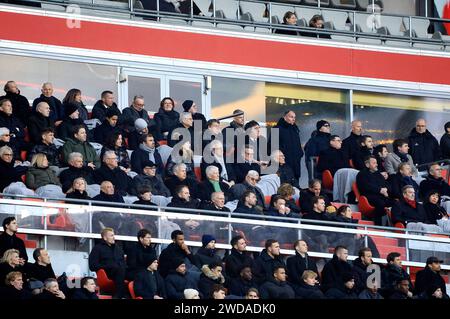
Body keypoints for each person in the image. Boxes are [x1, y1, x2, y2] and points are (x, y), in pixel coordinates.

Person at [88, 228, 127, 299]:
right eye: (111, 235)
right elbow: (92, 265)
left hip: (120, 271)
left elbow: (124, 263)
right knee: (118, 269)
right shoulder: (97, 248)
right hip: (107, 273)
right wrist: (108, 266)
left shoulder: (118, 249)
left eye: (113, 235)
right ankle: (120, 295)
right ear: (105, 238)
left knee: (137, 273)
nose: (114, 237)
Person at [356, 156, 394, 225]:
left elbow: (387, 184)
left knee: (395, 203)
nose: (376, 165)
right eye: (374, 163)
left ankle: (391, 225)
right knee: (380, 203)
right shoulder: (361, 174)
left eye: (376, 163)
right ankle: (377, 225)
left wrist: (386, 189)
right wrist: (380, 190)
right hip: (368, 196)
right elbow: (365, 186)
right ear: (367, 165)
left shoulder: (378, 174)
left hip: (382, 196)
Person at [271, 110, 304, 180]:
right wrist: (280, 158)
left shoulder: (295, 129)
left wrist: (300, 153)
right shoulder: (276, 128)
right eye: (291, 117)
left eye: (294, 117)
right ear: (285, 117)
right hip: (284, 162)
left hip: (295, 162)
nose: (293, 119)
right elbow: (272, 146)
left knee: (295, 182)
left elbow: (298, 144)